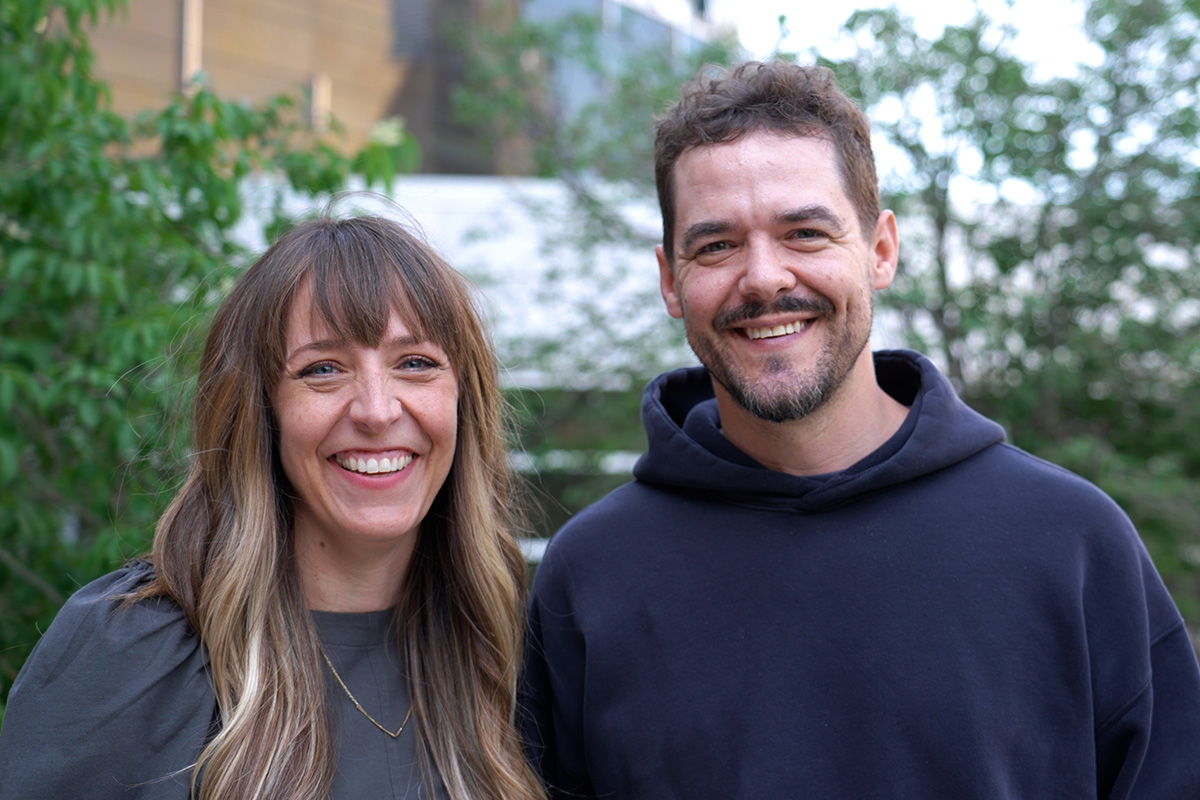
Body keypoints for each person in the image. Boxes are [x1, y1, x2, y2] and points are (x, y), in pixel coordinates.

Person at [519, 61, 1200, 798]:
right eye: (716, 245)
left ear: (880, 251)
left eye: (805, 233)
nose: (764, 278)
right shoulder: (591, 576)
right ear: (669, 279)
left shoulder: (1070, 541)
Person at [0, 214, 545, 800]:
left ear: (464, 399)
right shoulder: (134, 653)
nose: (377, 410)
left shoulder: (505, 647)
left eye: (415, 363)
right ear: (261, 412)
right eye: (322, 369)